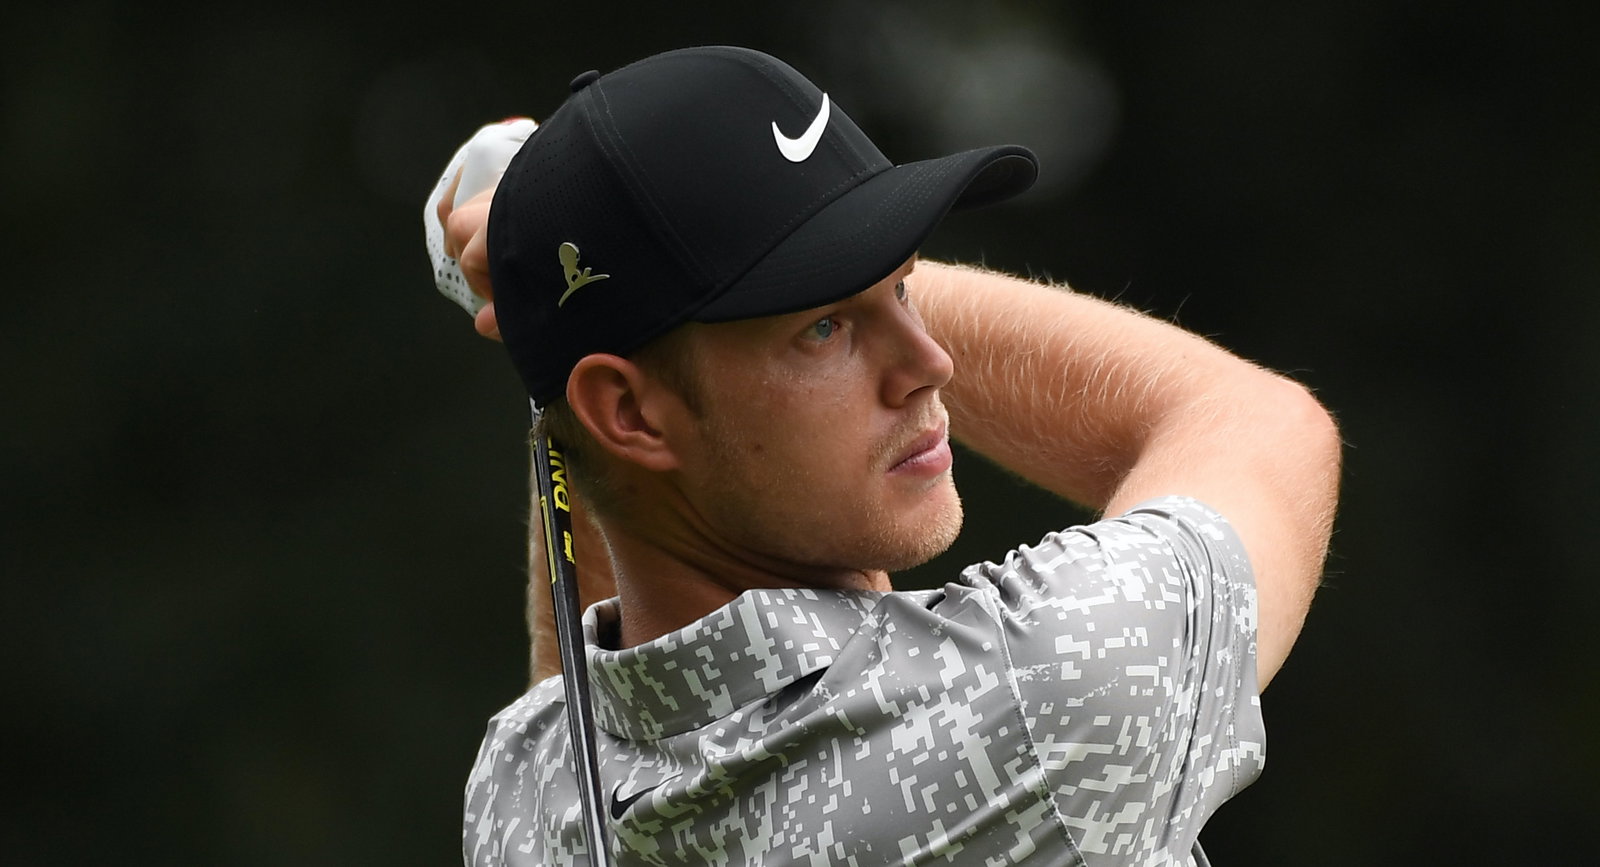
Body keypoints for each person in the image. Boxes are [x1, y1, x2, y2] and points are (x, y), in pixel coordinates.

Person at [427, 46, 1340, 867]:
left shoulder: (521, 793)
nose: (931, 359)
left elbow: (590, 647)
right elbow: (1259, 424)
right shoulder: (1032, 697)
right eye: (824, 325)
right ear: (630, 411)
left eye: (902, 283)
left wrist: (566, 302)